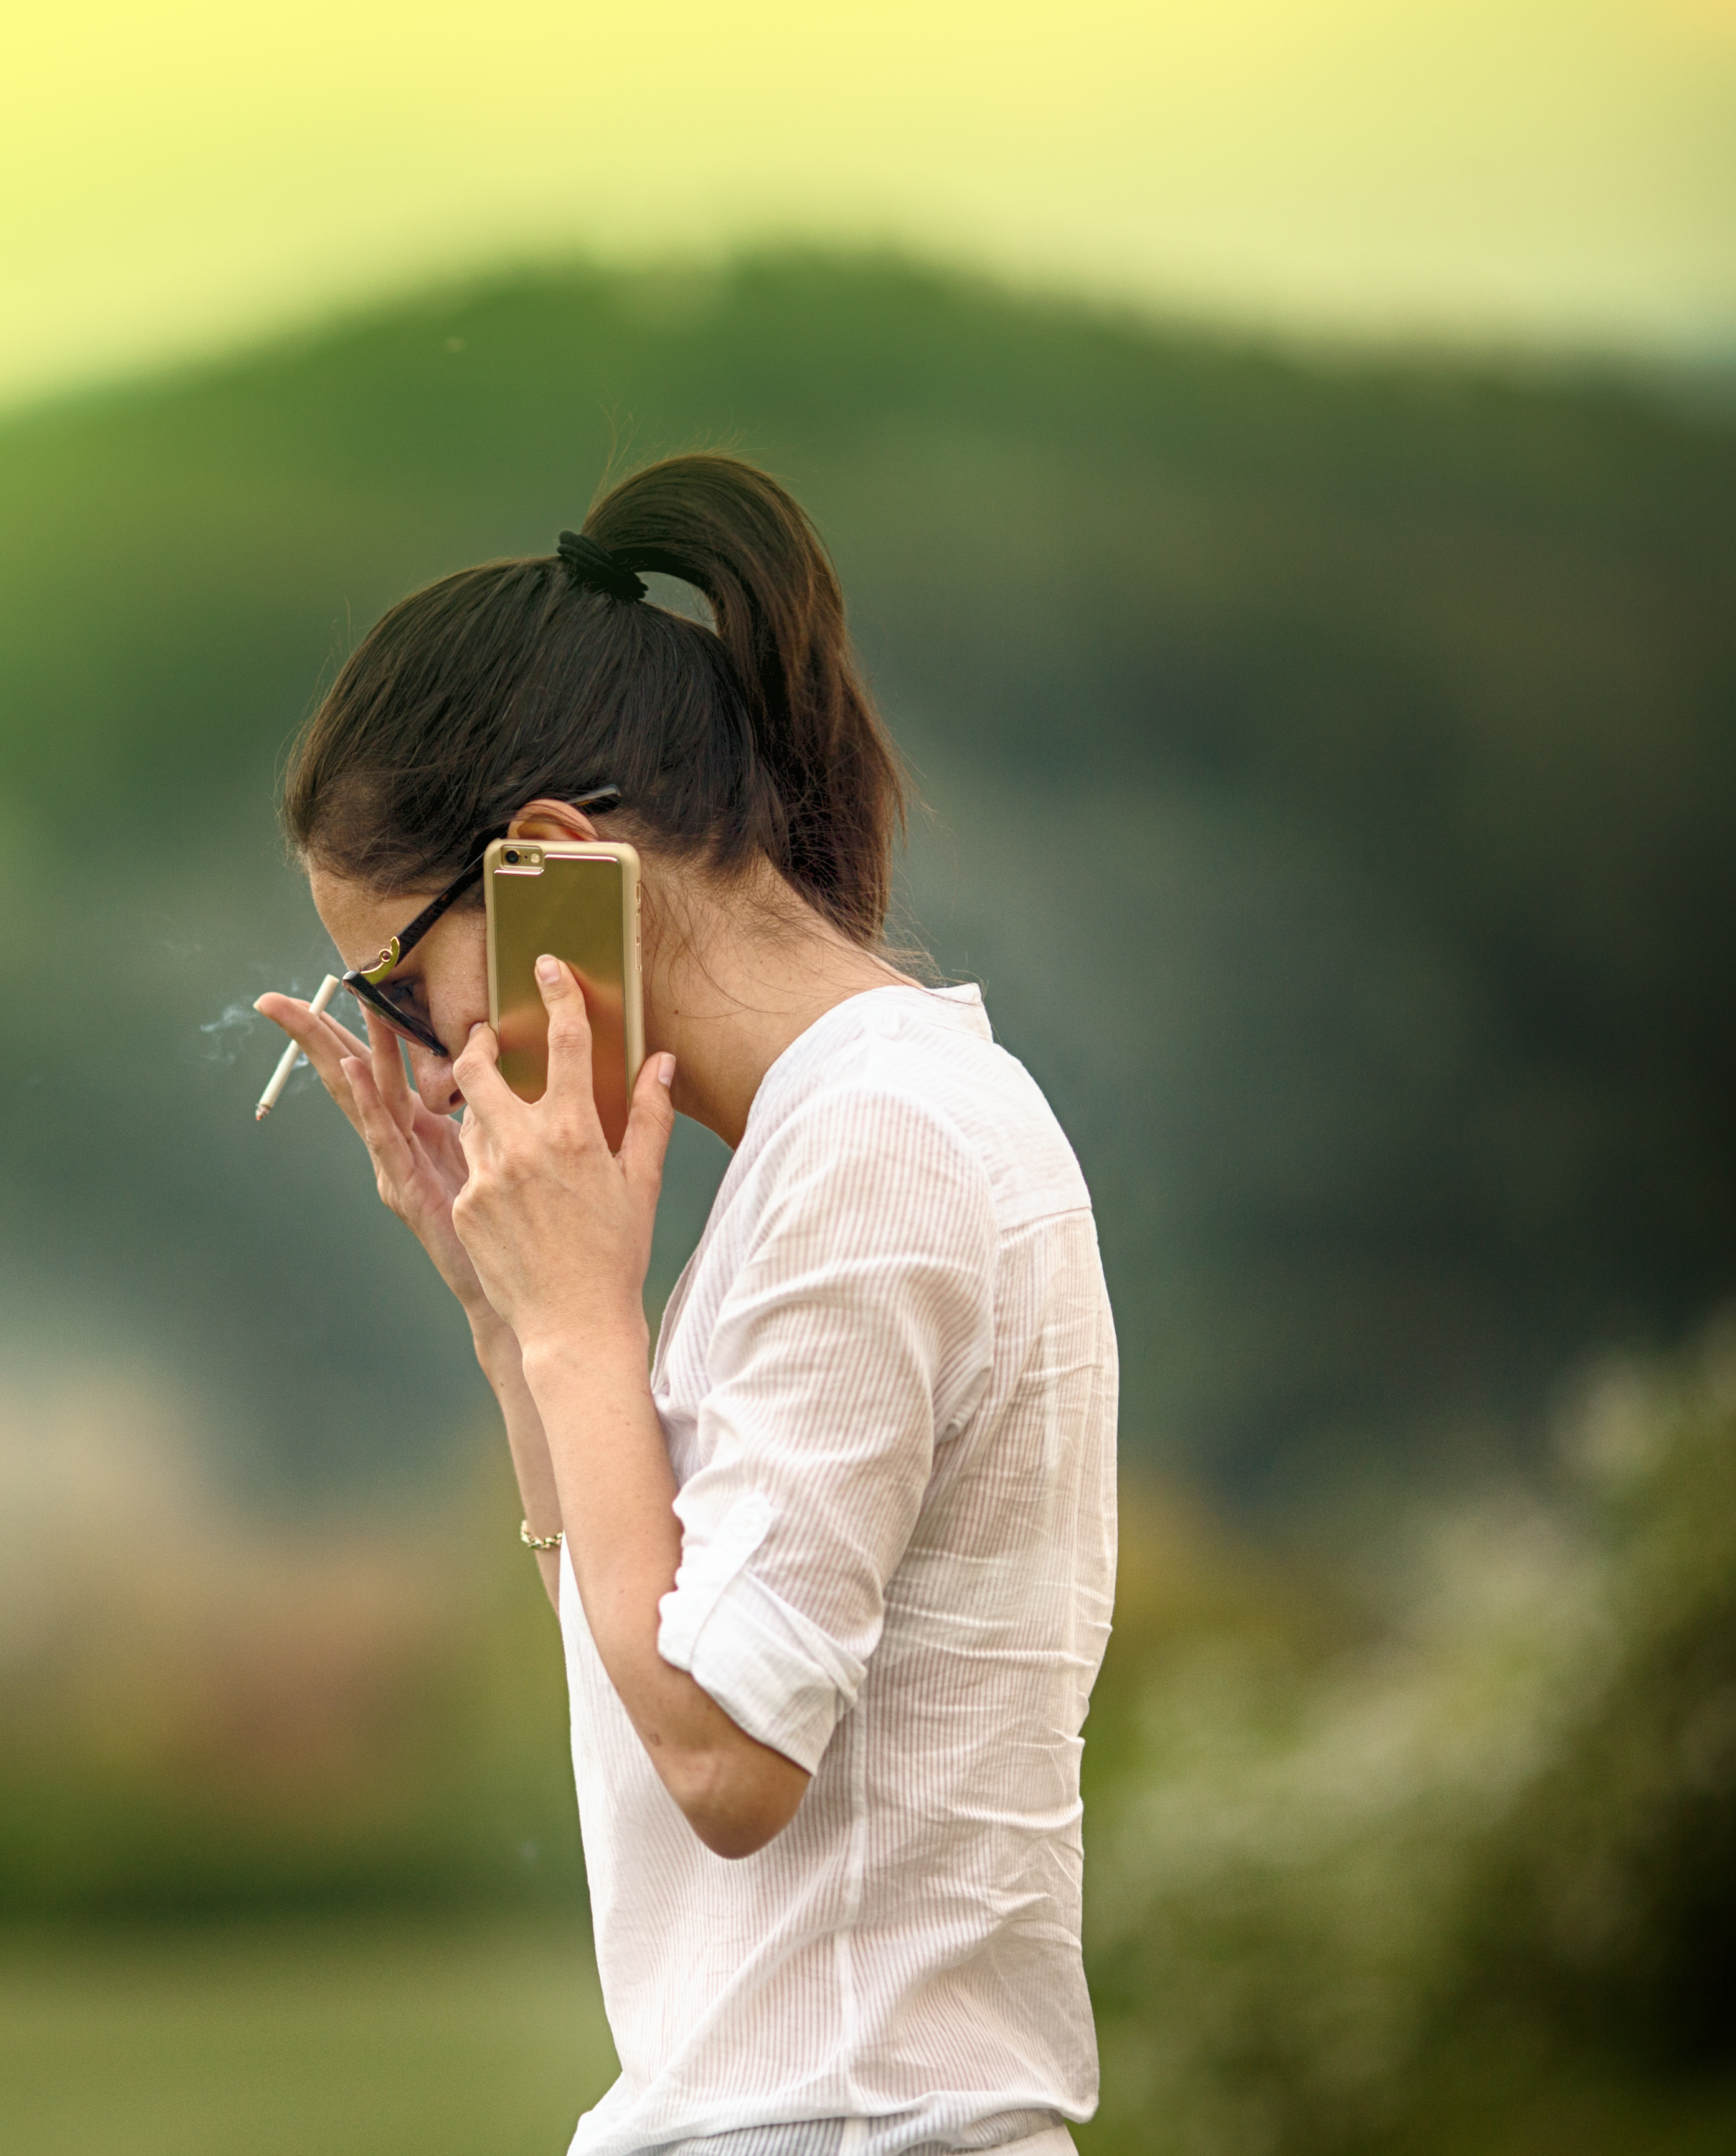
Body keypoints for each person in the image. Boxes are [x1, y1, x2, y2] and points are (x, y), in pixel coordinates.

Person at [258, 452, 1117, 2156]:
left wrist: (583, 1320)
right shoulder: (839, 1136)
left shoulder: (879, 1148)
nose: (420, 1062)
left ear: (551, 866)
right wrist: (515, 1330)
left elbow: (726, 1759)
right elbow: (661, 1649)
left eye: (402, 987)